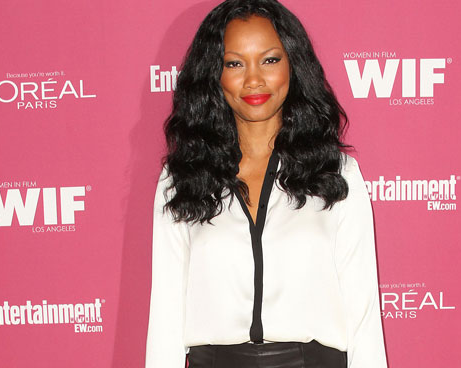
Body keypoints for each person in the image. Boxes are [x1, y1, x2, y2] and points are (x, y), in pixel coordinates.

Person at [145, 0, 387, 367]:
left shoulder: (337, 173)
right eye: (235, 63)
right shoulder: (183, 178)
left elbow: (364, 313)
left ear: (294, 64)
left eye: (270, 60)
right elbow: (165, 314)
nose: (253, 79)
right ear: (214, 73)